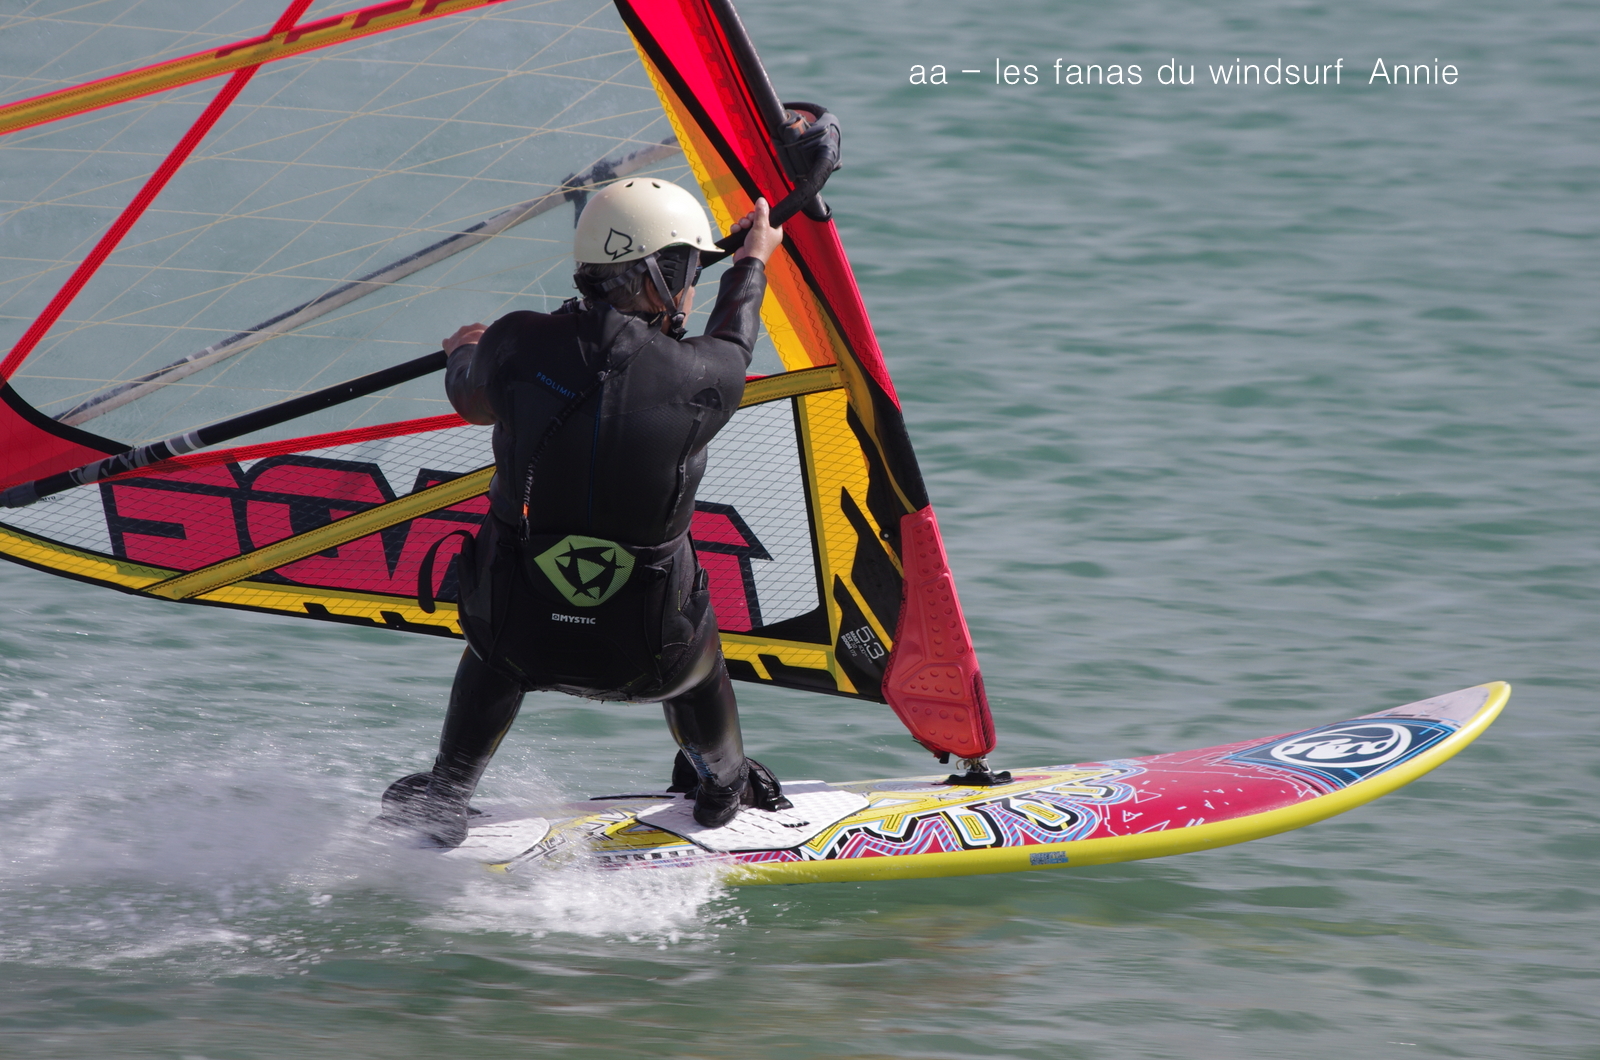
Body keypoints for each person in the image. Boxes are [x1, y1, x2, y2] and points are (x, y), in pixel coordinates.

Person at [380, 179, 789, 848]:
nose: (692, 285)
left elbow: (468, 396)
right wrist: (752, 262)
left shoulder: (513, 345)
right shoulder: (708, 376)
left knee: (491, 646)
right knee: (700, 668)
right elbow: (733, 339)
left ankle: (447, 794)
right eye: (688, 270)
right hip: (652, 651)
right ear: (661, 274)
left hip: (518, 635)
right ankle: (723, 787)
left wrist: (464, 352)